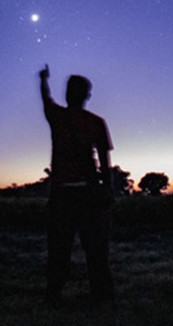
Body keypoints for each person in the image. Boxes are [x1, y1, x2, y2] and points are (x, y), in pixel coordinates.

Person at [39, 64, 115, 305]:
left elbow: (45, 98)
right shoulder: (97, 123)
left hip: (61, 195)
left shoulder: (57, 116)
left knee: (59, 249)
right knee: (96, 249)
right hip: (89, 194)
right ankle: (101, 296)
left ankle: (53, 296)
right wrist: (107, 190)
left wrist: (43, 80)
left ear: (68, 94)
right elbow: (105, 162)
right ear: (86, 96)